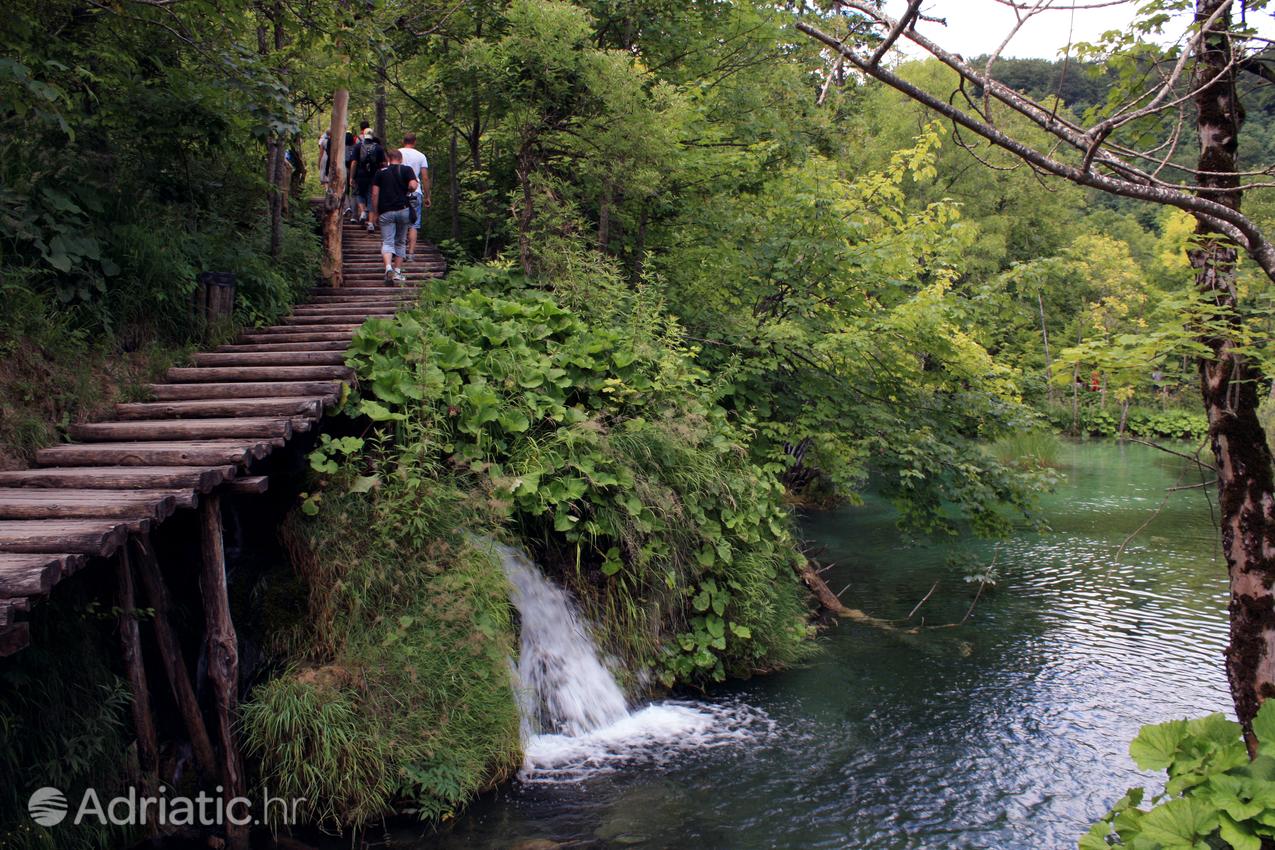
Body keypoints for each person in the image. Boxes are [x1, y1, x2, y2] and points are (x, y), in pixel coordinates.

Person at [370, 148, 419, 283]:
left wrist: (375, 212)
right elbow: (413, 186)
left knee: (387, 240)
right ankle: (397, 271)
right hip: (403, 210)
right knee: (401, 240)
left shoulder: (380, 173)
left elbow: (374, 194)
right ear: (401, 158)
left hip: (385, 211)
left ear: (388, 159)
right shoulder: (406, 170)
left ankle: (388, 268)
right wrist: (409, 186)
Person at [398, 132, 431, 262]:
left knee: (399, 221)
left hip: (399, 191)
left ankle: (399, 251)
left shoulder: (397, 154)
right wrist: (427, 196)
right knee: (414, 224)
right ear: (415, 142)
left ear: (403, 141)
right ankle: (411, 253)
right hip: (416, 191)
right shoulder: (421, 156)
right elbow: (425, 177)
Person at [353, 128, 384, 230]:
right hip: (374, 176)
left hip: (360, 175)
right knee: (371, 197)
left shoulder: (358, 146)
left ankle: (362, 212)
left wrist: (351, 177)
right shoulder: (379, 148)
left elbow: (354, 163)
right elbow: (382, 164)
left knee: (358, 193)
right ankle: (370, 223)